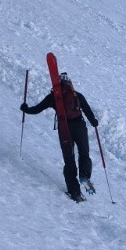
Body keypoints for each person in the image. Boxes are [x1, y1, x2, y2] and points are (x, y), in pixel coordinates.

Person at [22, 73, 99, 201]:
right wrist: (94, 122)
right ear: (69, 82)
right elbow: (88, 111)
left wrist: (26, 109)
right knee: (84, 153)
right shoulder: (76, 95)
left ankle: (75, 193)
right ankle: (84, 176)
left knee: (69, 159)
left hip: (65, 129)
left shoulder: (54, 97)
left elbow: (37, 109)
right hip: (79, 127)